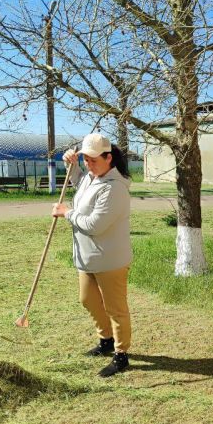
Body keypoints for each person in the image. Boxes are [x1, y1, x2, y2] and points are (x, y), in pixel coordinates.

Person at [52, 133, 132, 377]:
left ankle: (121, 355)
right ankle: (106, 339)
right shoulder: (91, 177)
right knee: (87, 299)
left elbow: (95, 225)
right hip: (87, 257)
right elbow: (80, 182)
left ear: (109, 158)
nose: (89, 164)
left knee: (115, 308)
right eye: (86, 159)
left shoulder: (115, 188)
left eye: (93, 160)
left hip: (110, 259)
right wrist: (72, 165)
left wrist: (67, 213)